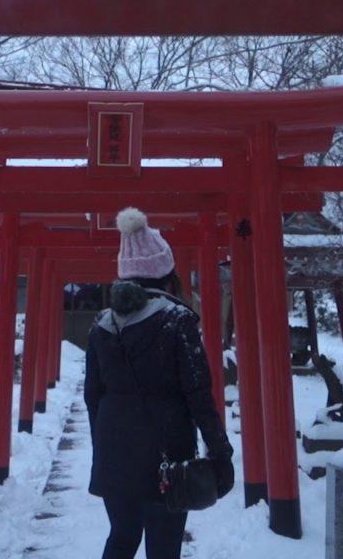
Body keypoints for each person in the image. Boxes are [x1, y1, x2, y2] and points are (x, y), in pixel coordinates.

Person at [85, 207, 235, 559]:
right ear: (167, 275)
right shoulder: (177, 321)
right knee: (164, 548)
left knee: (121, 537)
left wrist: (105, 447)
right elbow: (199, 394)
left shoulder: (102, 325)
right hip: (167, 451)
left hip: (113, 451)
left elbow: (93, 396)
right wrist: (220, 453)